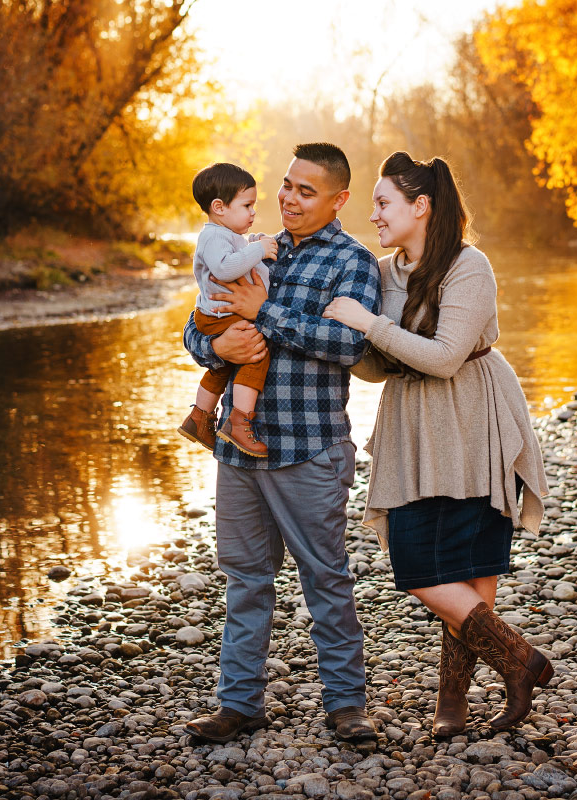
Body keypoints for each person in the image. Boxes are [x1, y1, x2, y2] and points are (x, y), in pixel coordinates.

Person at [322, 151, 550, 736]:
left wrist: (369, 324)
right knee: (418, 563)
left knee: (473, 572)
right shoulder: (383, 270)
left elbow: (447, 357)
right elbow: (380, 365)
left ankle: (455, 702)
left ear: (420, 206)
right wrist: (352, 336)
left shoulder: (469, 266)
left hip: (473, 419)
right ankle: (520, 661)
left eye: (382, 202)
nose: (372, 214)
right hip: (410, 424)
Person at [180, 143, 382, 743]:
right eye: (287, 185)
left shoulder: (353, 263)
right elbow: (198, 325)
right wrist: (217, 349)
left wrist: (265, 312)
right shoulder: (249, 244)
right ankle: (238, 703)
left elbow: (348, 346)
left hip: (309, 447)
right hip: (238, 451)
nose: (289, 199)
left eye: (307, 191)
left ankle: (347, 706)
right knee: (245, 579)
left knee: (325, 577)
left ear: (339, 199)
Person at [177, 162, 279, 457]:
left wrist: (254, 243)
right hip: (220, 316)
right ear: (219, 207)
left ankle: (199, 417)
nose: (253, 212)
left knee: (221, 366)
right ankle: (238, 420)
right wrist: (258, 250)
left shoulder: (226, 235)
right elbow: (224, 267)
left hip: (219, 315)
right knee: (256, 354)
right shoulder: (212, 237)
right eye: (247, 205)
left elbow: (238, 256)